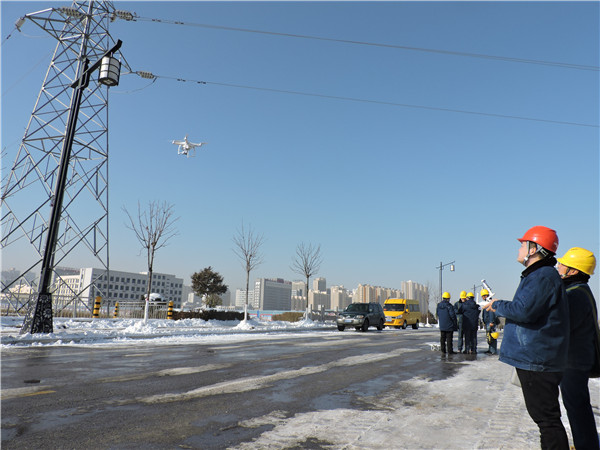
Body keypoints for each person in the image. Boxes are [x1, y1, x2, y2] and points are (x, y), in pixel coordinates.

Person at [483, 225, 570, 450]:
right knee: (545, 417)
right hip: (536, 357)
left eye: (523, 244)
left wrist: (498, 305)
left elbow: (524, 311)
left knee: (546, 419)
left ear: (534, 249)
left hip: (536, 359)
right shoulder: (541, 275)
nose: (520, 248)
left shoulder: (542, 275)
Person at [556, 247, 599, 450]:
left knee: (577, 406)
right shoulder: (578, 291)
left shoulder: (575, 295)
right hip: (576, 358)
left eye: (562, 264)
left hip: (574, 361)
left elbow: (561, 326)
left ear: (573, 271)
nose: (558, 266)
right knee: (577, 405)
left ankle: (587, 445)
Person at [481, 288, 499, 355]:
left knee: (492, 337)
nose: (482, 298)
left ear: (485, 296)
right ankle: (490, 349)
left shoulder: (490, 303)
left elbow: (491, 313)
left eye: (482, 296)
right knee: (489, 337)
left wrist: (491, 322)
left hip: (490, 323)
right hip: (488, 322)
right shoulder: (487, 303)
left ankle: (493, 350)